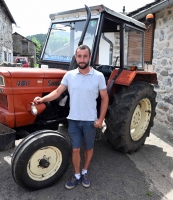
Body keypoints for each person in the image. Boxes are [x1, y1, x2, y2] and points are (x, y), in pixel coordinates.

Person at [33, 44, 109, 189]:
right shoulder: (69, 75)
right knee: (75, 149)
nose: (82, 59)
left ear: (90, 57)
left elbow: (105, 98)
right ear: (76, 58)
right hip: (73, 120)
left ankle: (85, 172)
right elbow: (57, 92)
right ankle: (77, 175)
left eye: (85, 56)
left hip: (90, 121)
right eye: (79, 56)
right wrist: (42, 100)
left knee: (88, 148)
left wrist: (101, 119)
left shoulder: (98, 76)